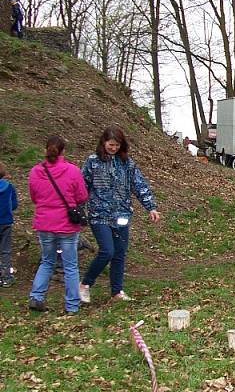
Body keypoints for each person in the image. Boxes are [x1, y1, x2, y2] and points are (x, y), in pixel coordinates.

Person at [79, 126, 160, 303]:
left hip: (121, 214)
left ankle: (117, 292)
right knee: (107, 251)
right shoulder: (93, 162)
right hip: (98, 215)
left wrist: (150, 207)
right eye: (111, 144)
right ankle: (85, 284)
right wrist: (78, 209)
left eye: (117, 145)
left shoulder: (127, 163)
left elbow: (139, 185)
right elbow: (81, 187)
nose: (113, 148)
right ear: (103, 143)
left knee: (120, 253)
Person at [27, 136, 88, 313]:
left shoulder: (35, 172)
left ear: (45, 150)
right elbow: (82, 196)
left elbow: (34, 197)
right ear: (63, 151)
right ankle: (72, 305)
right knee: (70, 265)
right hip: (66, 225)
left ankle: (36, 296)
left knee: (47, 261)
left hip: (44, 224)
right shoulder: (72, 171)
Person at [0, 161, 18, 287]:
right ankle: (6, 277)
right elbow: (15, 204)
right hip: (6, 222)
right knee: (5, 250)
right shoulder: (9, 187)